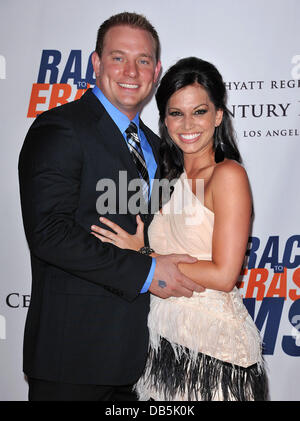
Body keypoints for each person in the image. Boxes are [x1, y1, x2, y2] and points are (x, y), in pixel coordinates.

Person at [18, 13, 203, 401]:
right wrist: (148, 270)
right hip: (73, 360)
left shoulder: (158, 146)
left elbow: (151, 233)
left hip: (143, 361)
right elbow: (49, 234)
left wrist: (153, 257)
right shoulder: (61, 128)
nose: (131, 71)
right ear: (96, 64)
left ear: (157, 71)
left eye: (144, 60)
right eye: (118, 58)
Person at [91, 57, 269, 401]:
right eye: (176, 113)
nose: (187, 123)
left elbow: (223, 274)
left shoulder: (227, 175)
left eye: (199, 111)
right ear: (165, 120)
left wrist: (144, 254)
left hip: (216, 355)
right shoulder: (164, 181)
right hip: (162, 349)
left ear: (218, 116)